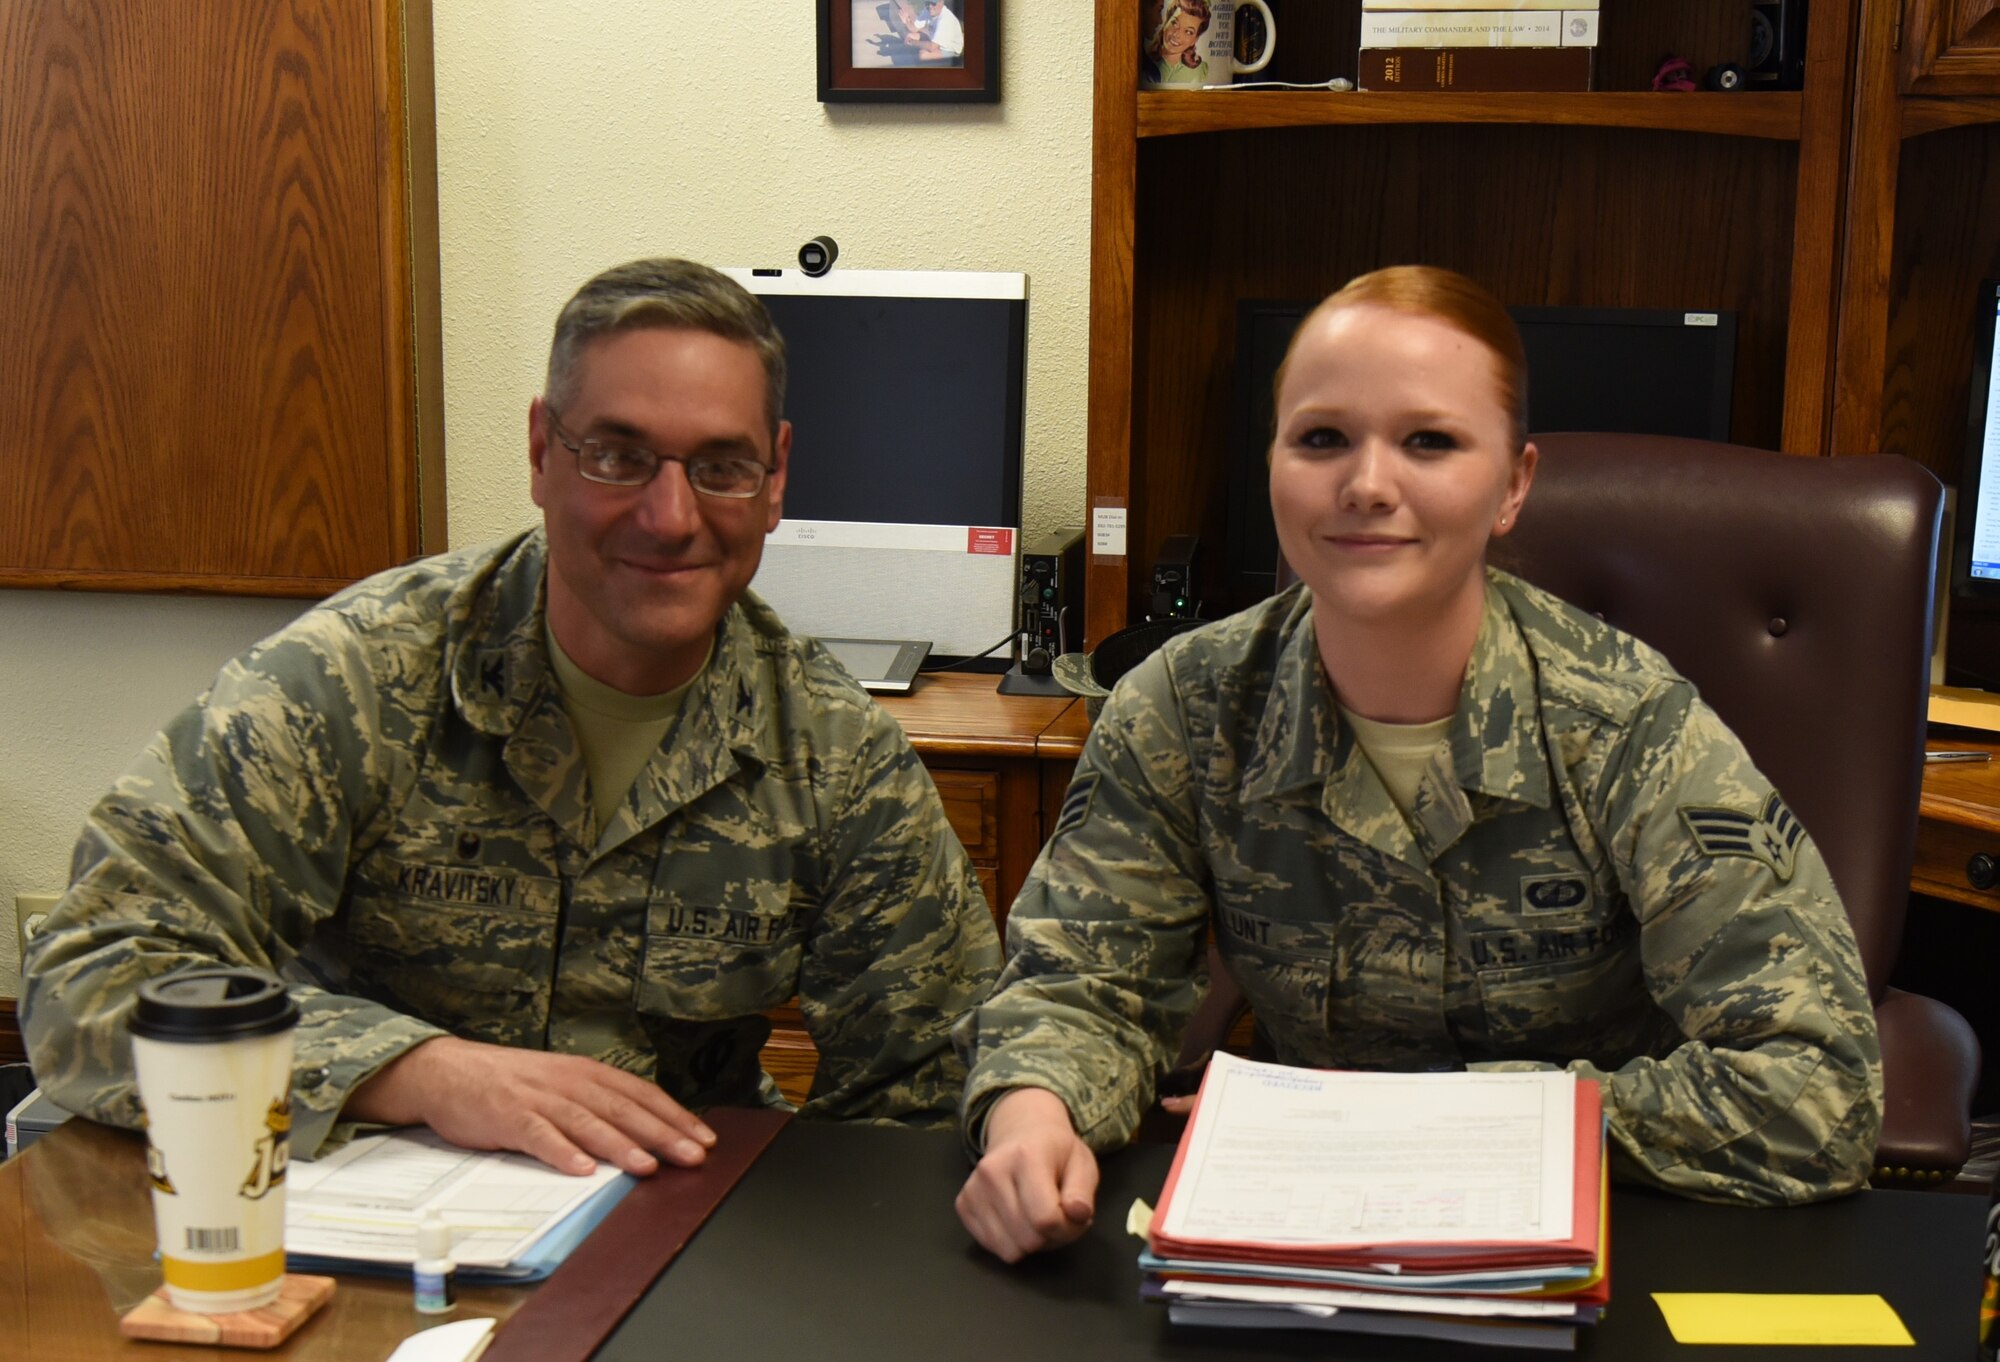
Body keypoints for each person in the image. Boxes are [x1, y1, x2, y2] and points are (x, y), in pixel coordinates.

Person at [953, 265, 1882, 1263]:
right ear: (1269, 462)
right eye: (1320, 439)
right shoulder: (1184, 707)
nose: (1365, 484)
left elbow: (1814, 1089)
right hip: (1297, 1241)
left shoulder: (1624, 727)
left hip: (1599, 1235)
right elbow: (1076, 985)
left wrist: (1455, 1120)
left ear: (1512, 484)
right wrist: (1031, 1115)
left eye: (1427, 442)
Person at [23, 258, 1001, 1178]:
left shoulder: (834, 755)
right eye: (618, 456)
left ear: (776, 478)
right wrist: (418, 1073)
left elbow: (931, 1086)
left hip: (669, 1235)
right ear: (542, 451)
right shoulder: (357, 682)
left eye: (720, 466)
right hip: (363, 1213)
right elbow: (90, 979)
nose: (669, 516)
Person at [1141, 1, 1211, 88]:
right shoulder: (1144, 62)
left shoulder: (1201, 70)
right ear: (1166, 21)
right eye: (1174, 23)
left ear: (1195, 39)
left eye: (1188, 32)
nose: (1177, 35)